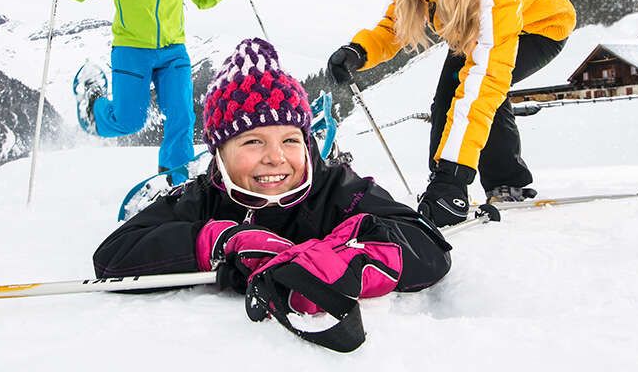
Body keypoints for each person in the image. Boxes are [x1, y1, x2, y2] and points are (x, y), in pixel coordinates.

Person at [93, 38, 452, 352]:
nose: (275, 157)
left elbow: (426, 245)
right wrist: (218, 240)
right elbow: (112, 258)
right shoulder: (205, 197)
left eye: (290, 140)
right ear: (219, 154)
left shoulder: (336, 188)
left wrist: (338, 262)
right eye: (252, 141)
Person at [326, 0, 576, 226]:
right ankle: (441, 188)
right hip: (472, 32)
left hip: (539, 29)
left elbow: (485, 81)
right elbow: (395, 25)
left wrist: (454, 177)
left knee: (479, 89)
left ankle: (500, 184)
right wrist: (358, 51)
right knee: (447, 97)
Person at [49, 0, 244, 185]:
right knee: (129, 121)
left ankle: (175, 180)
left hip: (173, 51)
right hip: (131, 49)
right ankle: (92, 107)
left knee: (182, 116)